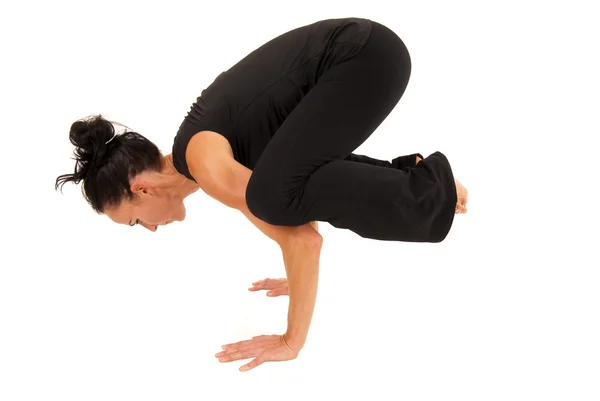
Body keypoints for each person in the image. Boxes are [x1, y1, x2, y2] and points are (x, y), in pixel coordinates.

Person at [55, 17, 468, 372]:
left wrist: (291, 341)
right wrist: (295, 271)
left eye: (135, 219)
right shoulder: (207, 161)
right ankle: (415, 175)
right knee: (275, 190)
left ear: (140, 188)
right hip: (367, 55)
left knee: (270, 197)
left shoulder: (203, 162)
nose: (149, 229)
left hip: (364, 57)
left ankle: (430, 188)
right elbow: (299, 210)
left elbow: (303, 239)